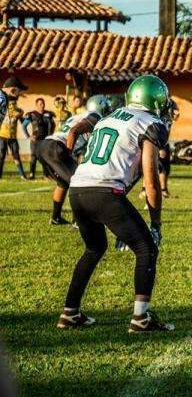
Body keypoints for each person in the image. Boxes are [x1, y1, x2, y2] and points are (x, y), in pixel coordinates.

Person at [58, 75, 173, 332]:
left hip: (77, 190)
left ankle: (70, 313)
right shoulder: (151, 122)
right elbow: (151, 179)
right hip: (104, 192)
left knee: (94, 249)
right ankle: (141, 318)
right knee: (147, 248)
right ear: (155, 99)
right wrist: (155, 223)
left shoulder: (109, 117)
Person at [36, 95, 111, 225]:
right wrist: (68, 154)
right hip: (56, 147)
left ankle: (56, 217)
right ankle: (79, 221)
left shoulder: (78, 115)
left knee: (64, 183)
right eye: (106, 109)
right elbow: (73, 132)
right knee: (80, 184)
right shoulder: (95, 116)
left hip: (45, 146)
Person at [23, 97, 56, 179]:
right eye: (40, 104)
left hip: (45, 140)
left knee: (45, 157)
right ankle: (31, 175)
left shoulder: (48, 114)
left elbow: (53, 124)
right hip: (36, 140)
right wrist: (28, 136)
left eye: (43, 104)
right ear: (36, 105)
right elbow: (24, 126)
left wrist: (51, 134)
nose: (42, 105)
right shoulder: (31, 114)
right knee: (34, 157)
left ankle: (46, 175)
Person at [0, 99, 26, 180]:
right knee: (1, 156)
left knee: (16, 156)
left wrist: (24, 117)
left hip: (12, 137)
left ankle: (22, 175)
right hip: (2, 136)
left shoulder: (18, 111)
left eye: (14, 103)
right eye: (10, 104)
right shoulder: (2, 111)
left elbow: (23, 121)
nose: (12, 105)